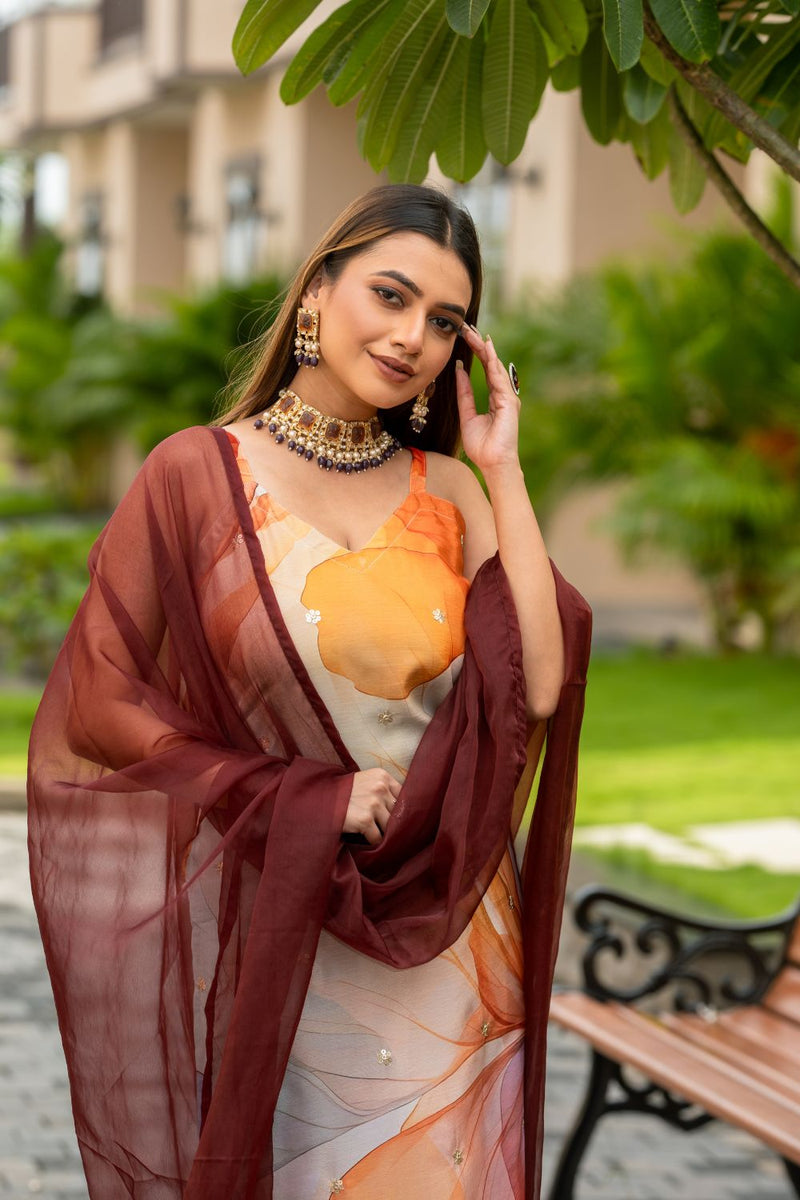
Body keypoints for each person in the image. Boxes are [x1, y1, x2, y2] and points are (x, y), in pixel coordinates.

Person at [27, 184, 591, 1200]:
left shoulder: (452, 493)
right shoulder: (196, 476)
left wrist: (500, 468)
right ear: (317, 293)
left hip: (451, 932)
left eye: (444, 321)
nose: (410, 335)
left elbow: (539, 685)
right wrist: (298, 796)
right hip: (288, 922)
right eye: (389, 294)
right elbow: (101, 704)